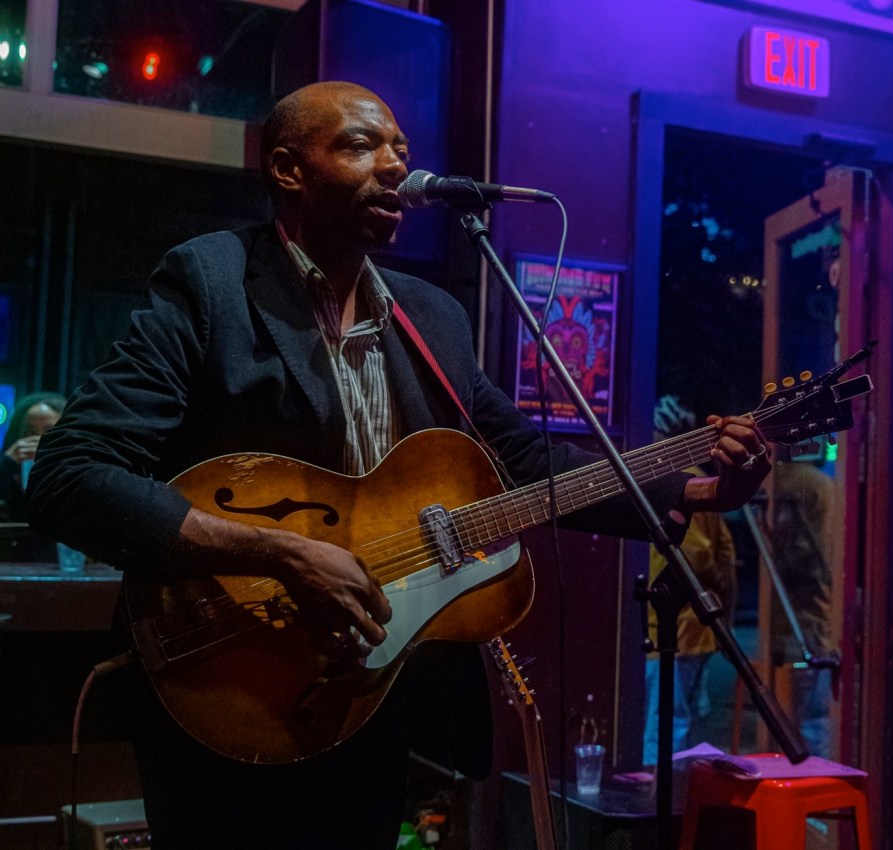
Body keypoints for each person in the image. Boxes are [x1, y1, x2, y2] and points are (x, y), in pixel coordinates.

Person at [26, 81, 771, 848]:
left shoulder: (431, 315)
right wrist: (282, 554)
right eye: (360, 145)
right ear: (288, 169)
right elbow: (70, 475)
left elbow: (524, 459)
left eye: (401, 150)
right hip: (230, 677)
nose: (393, 166)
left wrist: (697, 487)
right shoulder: (211, 283)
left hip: (369, 690)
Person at [642, 395, 738, 766]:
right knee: (679, 723)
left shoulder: (676, 479)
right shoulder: (700, 478)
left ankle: (662, 792)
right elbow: (726, 550)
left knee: (666, 726)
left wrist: (715, 583)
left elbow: (696, 552)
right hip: (692, 630)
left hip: (677, 626)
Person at [769, 441, 838, 758]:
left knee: (805, 715)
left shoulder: (787, 481)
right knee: (813, 717)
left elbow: (802, 551)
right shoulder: (822, 484)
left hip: (800, 611)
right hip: (815, 610)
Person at [0, 392, 66, 522]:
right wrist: (4, 467)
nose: (38, 440)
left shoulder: (74, 470)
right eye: (29, 432)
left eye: (49, 432)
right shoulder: (8, 470)